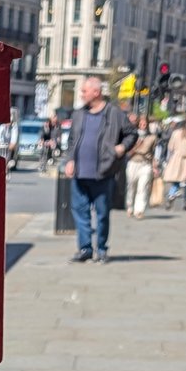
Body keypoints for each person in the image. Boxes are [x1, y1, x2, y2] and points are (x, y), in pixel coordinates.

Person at [63, 77, 135, 261]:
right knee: (80, 212)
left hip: (103, 171)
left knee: (102, 214)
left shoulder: (114, 113)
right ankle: (85, 248)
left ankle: (101, 248)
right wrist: (70, 160)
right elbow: (72, 141)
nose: (81, 94)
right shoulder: (79, 114)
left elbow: (131, 134)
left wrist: (121, 148)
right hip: (79, 173)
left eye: (84, 91)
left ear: (96, 92)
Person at [125, 115, 158, 218]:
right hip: (133, 162)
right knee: (131, 186)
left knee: (142, 187)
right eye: (141, 123)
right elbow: (127, 152)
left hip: (145, 164)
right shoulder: (132, 135)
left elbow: (154, 153)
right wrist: (136, 146)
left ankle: (139, 210)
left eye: (145, 124)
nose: (143, 125)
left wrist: (155, 166)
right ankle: (130, 206)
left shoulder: (152, 137)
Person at [163, 118, 186, 209]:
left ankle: (172, 194)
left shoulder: (175, 133)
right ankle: (185, 202)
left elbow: (170, 147)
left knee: (176, 180)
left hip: (176, 158)